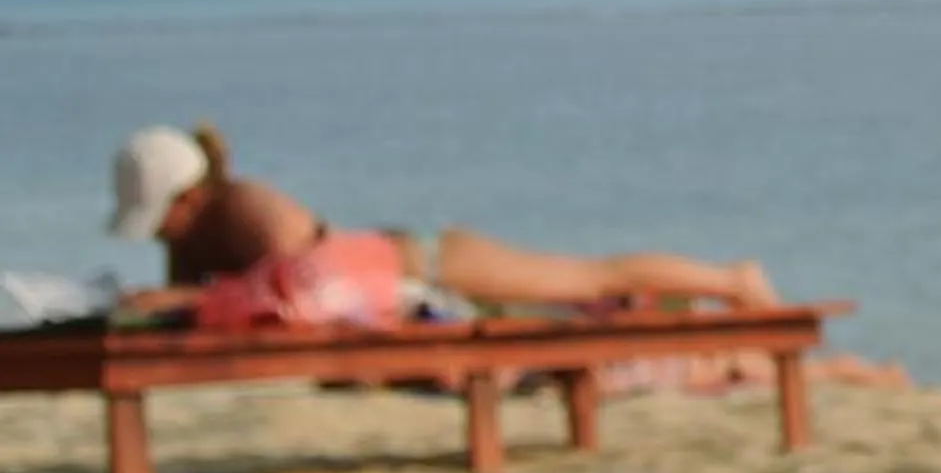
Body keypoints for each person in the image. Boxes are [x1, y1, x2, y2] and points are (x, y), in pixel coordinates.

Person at [108, 123, 782, 326]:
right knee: (585, 301)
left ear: (188, 196)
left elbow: (292, 290)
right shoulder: (195, 230)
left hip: (429, 264)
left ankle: (729, 278)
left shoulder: (252, 208)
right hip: (406, 275)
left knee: (586, 279)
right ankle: (707, 309)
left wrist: (181, 300)